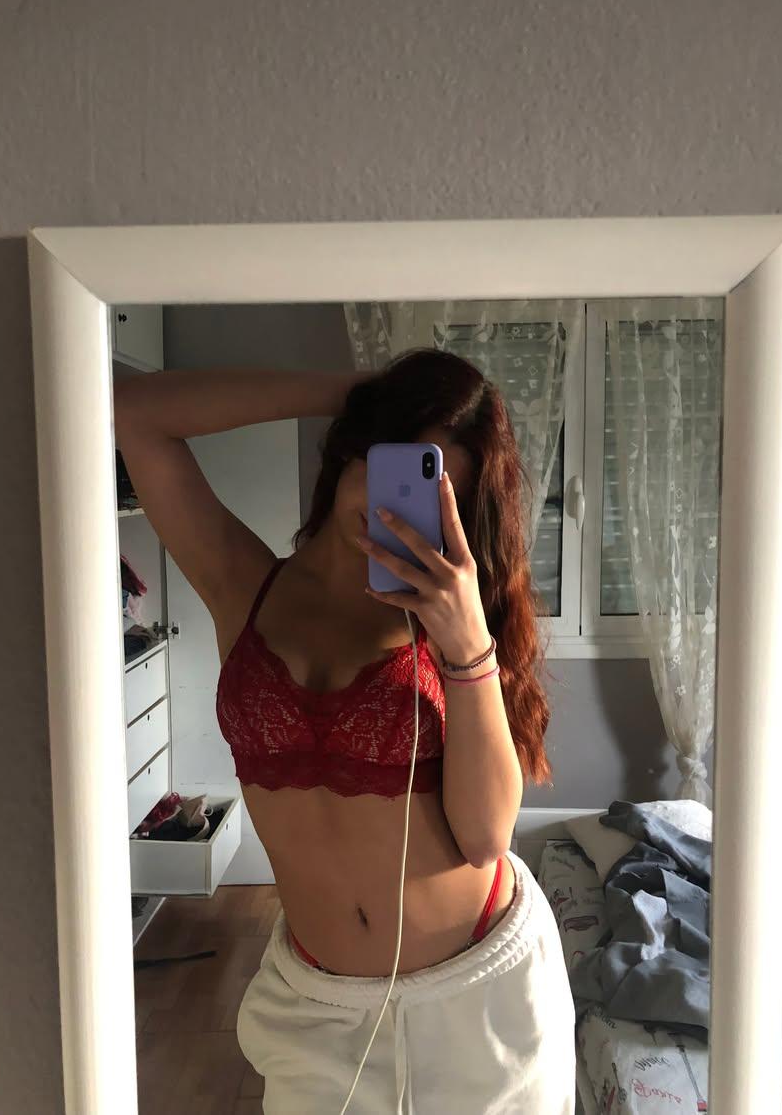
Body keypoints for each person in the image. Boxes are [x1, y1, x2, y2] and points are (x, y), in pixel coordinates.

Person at [114, 347, 575, 1114]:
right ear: (349, 450)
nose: (394, 506)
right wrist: (360, 392)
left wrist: (467, 647)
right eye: (392, 466)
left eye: (431, 493)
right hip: (316, 1006)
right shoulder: (244, 583)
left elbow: (485, 836)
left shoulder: (451, 619)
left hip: (477, 999)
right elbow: (136, 414)